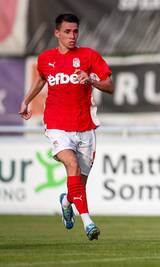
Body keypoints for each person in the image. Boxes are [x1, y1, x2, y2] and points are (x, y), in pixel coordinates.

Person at [19, 13, 114, 241]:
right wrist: (26, 100)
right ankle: (89, 223)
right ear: (57, 33)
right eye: (67, 32)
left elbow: (109, 86)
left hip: (85, 127)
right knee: (70, 164)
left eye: (75, 31)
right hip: (57, 126)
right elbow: (42, 78)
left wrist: (91, 80)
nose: (72, 36)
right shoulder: (45, 58)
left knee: (78, 185)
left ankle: (66, 200)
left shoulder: (89, 56)